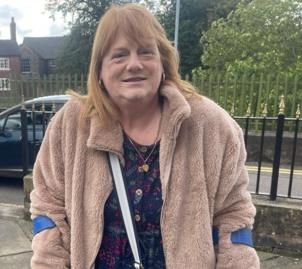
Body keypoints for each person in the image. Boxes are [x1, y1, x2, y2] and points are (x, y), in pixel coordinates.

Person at [30, 4, 259, 269]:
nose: (134, 64)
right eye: (119, 55)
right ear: (99, 70)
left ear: (162, 62)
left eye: (146, 52)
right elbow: (47, 207)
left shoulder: (211, 127)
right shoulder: (71, 125)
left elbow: (234, 217)